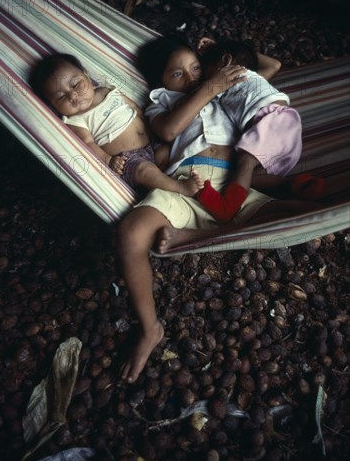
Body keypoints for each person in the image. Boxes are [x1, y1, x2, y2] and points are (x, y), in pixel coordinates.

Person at [117, 36, 321, 384]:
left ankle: (195, 234)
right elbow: (168, 129)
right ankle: (150, 328)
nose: (191, 77)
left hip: (233, 186)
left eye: (195, 67)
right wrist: (208, 86)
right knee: (131, 233)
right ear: (160, 83)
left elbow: (268, 69)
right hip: (186, 184)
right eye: (177, 74)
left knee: (298, 215)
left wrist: (228, 53)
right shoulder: (162, 103)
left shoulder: (231, 90)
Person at [28, 53, 204, 197]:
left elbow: (135, 108)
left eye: (75, 84)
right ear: (52, 105)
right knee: (145, 170)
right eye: (60, 97)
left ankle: (173, 188)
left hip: (152, 142)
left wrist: (153, 128)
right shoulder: (75, 120)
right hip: (128, 160)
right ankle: (179, 188)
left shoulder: (108, 90)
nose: (73, 96)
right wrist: (109, 160)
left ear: (86, 75)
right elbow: (88, 145)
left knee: (168, 152)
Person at [194, 36, 323, 222]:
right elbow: (273, 65)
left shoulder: (238, 77)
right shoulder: (246, 80)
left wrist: (217, 47)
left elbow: (274, 64)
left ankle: (227, 208)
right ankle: (297, 184)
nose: (205, 79)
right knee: (244, 177)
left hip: (272, 120)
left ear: (225, 61)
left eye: (206, 72)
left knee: (244, 165)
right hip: (286, 130)